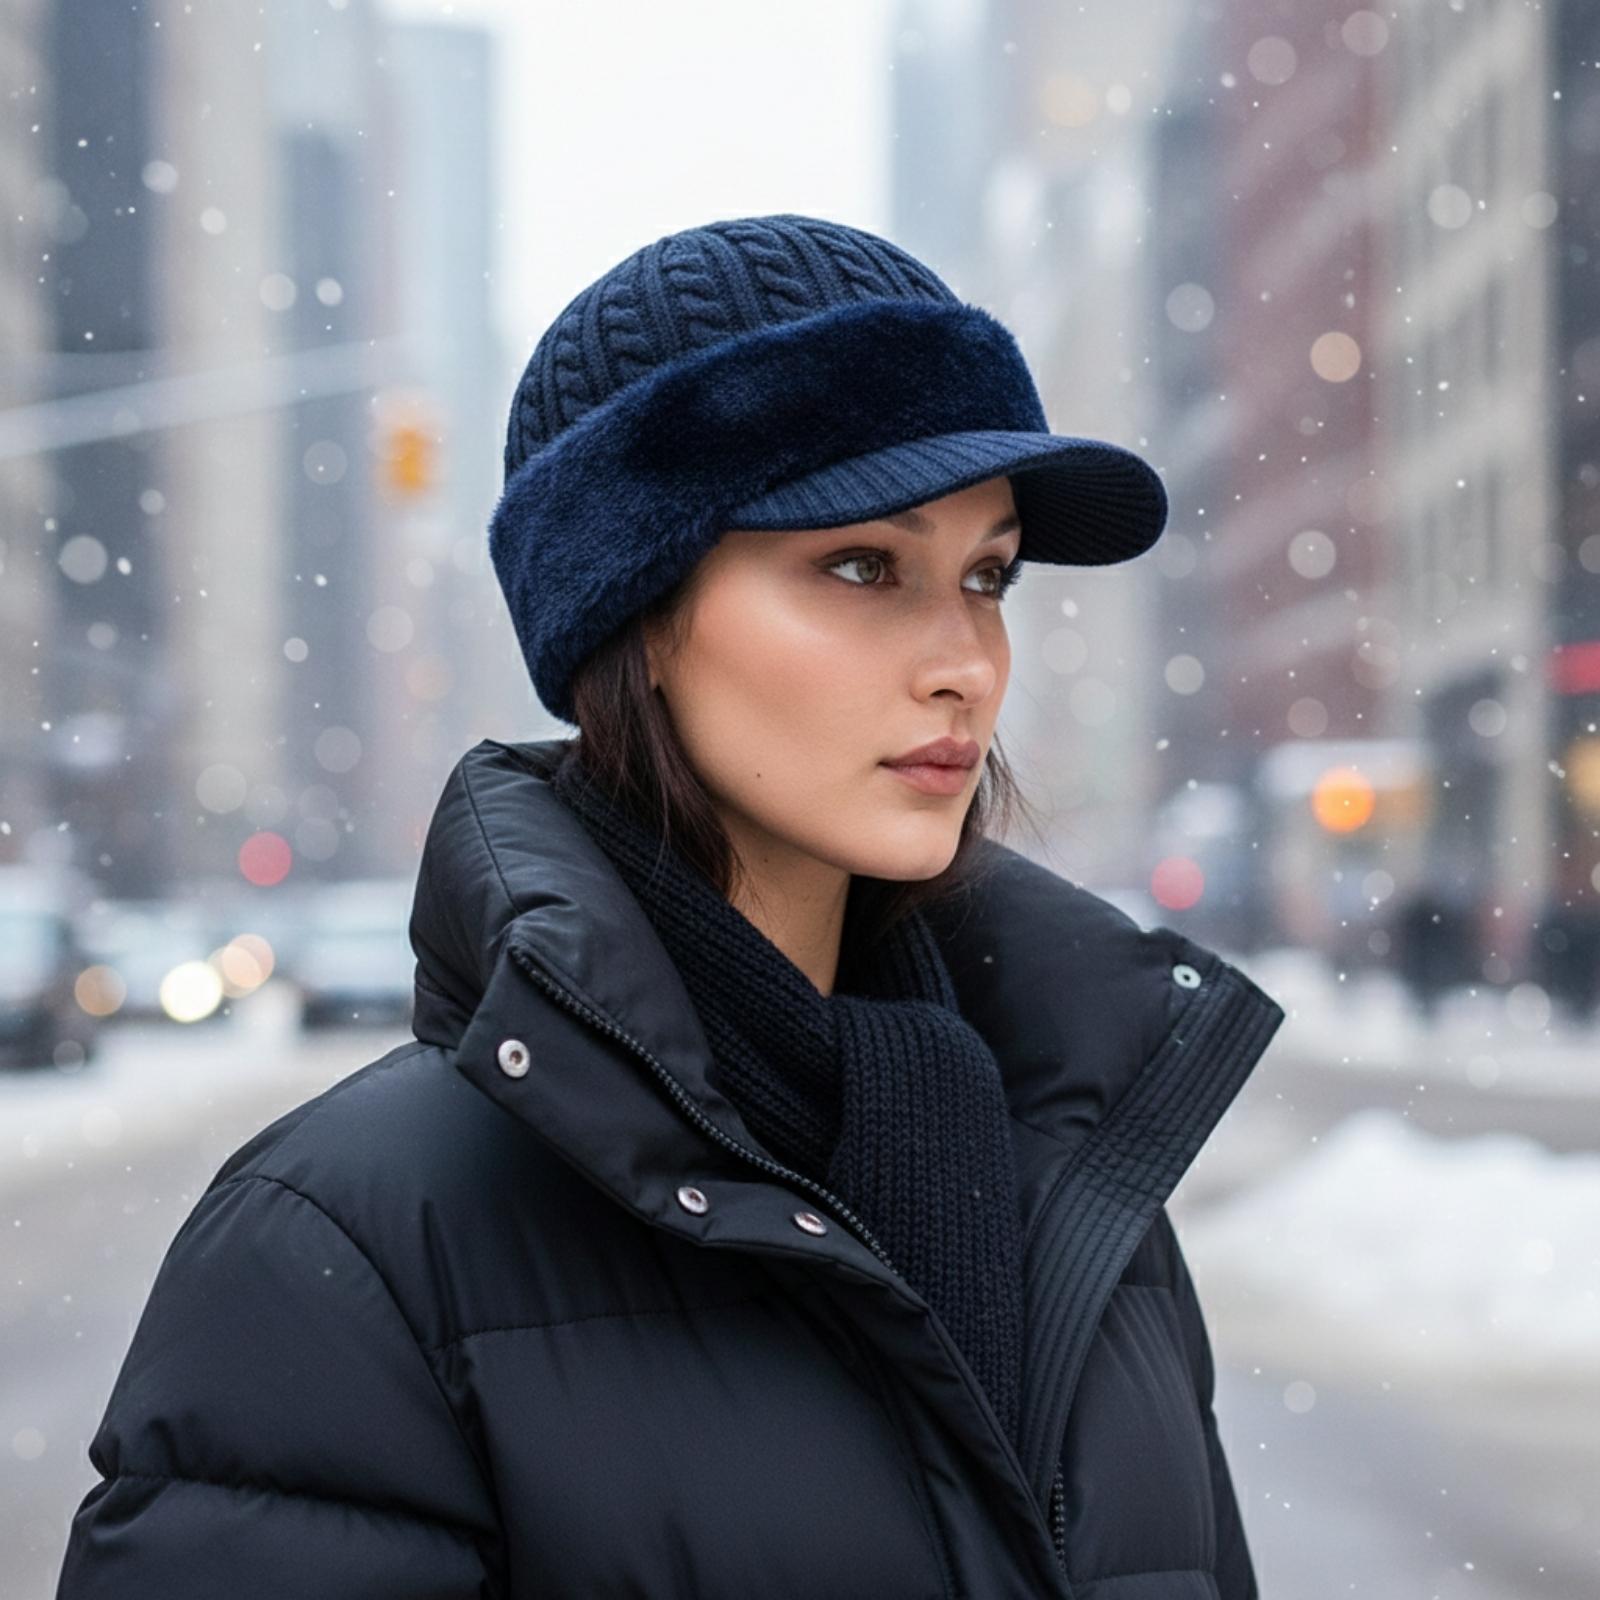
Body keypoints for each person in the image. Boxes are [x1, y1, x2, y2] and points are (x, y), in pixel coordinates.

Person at [55, 214, 1286, 1599]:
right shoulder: (341, 1246)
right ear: (631, 610)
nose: (965, 664)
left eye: (988, 576)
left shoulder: (1076, 1192)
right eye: (867, 566)